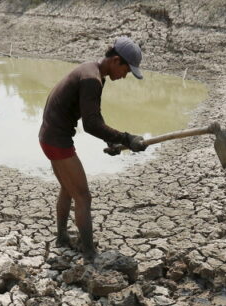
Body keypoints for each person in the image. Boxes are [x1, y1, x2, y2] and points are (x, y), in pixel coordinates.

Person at [39, 37, 148, 260]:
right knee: (83, 197)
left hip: (50, 136)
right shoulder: (92, 79)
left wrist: (111, 141)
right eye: (127, 70)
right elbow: (91, 125)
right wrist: (127, 138)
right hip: (57, 140)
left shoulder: (92, 71)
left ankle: (62, 238)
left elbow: (93, 117)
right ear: (116, 60)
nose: (125, 75)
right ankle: (89, 254)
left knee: (69, 189)